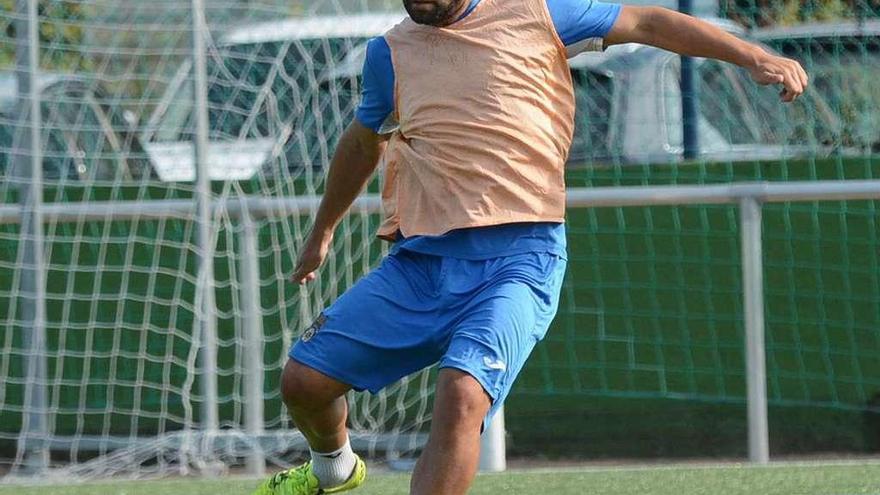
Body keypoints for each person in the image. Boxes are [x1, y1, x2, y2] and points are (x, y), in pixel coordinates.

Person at [252, 0, 807, 494]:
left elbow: (647, 20)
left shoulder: (539, 12)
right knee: (305, 382)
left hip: (520, 259)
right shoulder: (389, 54)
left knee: (462, 397)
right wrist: (324, 227)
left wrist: (750, 55)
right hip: (419, 263)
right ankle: (333, 469)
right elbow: (362, 140)